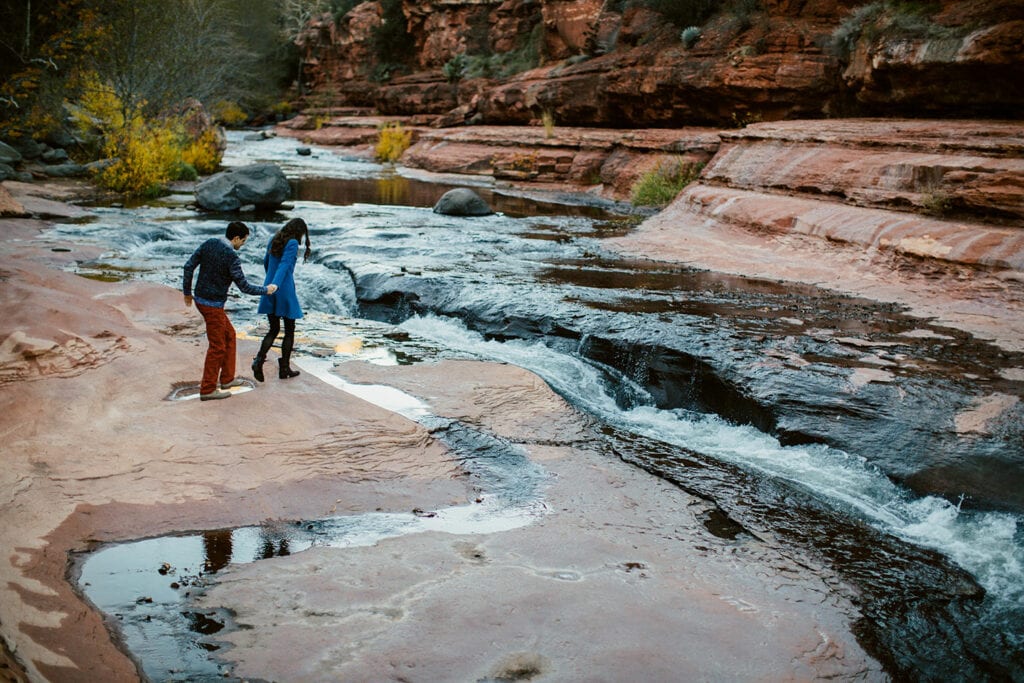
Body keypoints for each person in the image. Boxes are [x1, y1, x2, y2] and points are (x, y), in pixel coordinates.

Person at [183, 221, 277, 401]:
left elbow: (188, 266)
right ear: (235, 238)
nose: (243, 245)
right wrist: (266, 290)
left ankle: (227, 380)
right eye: (243, 241)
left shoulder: (210, 243)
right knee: (217, 347)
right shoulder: (231, 257)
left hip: (201, 300)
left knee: (229, 336)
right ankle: (208, 389)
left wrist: (187, 293)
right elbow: (244, 287)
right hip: (213, 306)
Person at [251, 217, 312, 382]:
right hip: (283, 288)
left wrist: (270, 283)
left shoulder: (274, 238)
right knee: (290, 330)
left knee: (273, 329)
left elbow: (266, 262)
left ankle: (258, 360)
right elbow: (284, 265)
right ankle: (284, 368)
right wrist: (277, 284)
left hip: (269, 286)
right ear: (299, 232)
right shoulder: (292, 243)